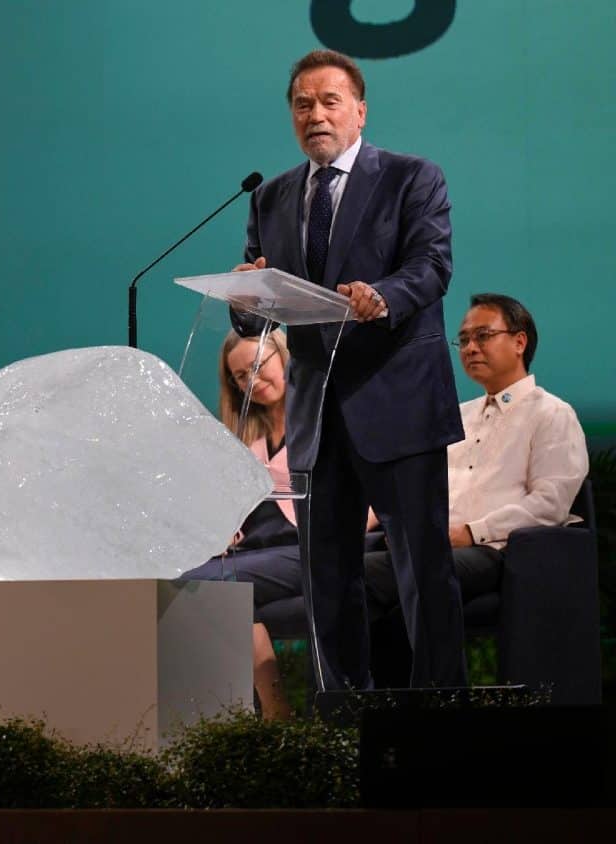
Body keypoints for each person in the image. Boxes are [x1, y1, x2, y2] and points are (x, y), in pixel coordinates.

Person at [232, 49, 466, 690]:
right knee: (326, 577)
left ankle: (444, 718)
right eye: (302, 104)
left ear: (360, 111)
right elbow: (259, 313)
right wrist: (245, 300)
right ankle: (343, 723)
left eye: (330, 101)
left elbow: (433, 266)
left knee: (422, 571)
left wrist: (383, 295)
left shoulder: (412, 178)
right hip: (316, 416)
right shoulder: (272, 197)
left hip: (398, 405)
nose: (316, 114)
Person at [364, 294, 588, 633]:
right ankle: (367, 685)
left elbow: (549, 504)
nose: (470, 348)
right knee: (342, 575)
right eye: (464, 339)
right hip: (436, 547)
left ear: (519, 342)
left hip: (497, 551)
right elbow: (426, 486)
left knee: (353, 579)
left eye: (483, 336)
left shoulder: (552, 414)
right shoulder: (457, 416)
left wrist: (471, 532)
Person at [183, 329, 299, 719]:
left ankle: (275, 712)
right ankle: (230, 714)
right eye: (240, 376)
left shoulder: (323, 421)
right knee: (186, 578)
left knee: (223, 586)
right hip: (255, 547)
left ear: (284, 357)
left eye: (257, 366)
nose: (252, 381)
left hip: (304, 543)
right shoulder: (246, 435)